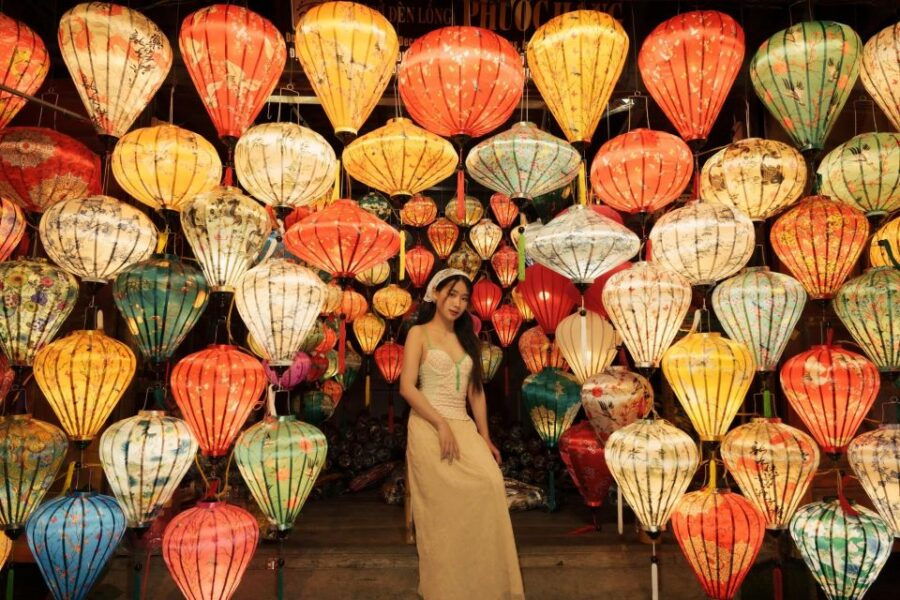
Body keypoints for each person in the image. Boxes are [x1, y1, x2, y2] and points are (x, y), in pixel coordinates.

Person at [399, 268, 525, 600]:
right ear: (435, 294)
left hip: (463, 424)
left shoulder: (466, 338)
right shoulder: (419, 334)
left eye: (464, 298)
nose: (457, 303)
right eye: (451, 294)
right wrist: (440, 423)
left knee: (491, 482)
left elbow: (476, 393)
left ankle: (486, 582)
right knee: (446, 504)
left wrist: (485, 436)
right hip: (428, 424)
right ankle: (449, 585)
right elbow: (407, 387)